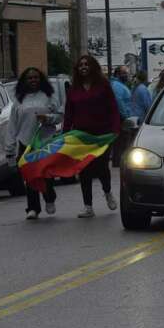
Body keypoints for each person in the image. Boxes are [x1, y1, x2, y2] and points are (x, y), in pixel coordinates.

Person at [63, 55, 121, 218]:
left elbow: (113, 108)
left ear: (92, 67)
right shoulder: (74, 89)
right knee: (85, 170)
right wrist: (65, 134)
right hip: (82, 136)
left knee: (102, 166)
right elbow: (69, 114)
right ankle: (88, 206)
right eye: (80, 64)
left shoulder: (103, 85)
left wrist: (116, 129)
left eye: (86, 64)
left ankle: (107, 191)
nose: (83, 67)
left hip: (103, 135)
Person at [9, 67, 62, 219]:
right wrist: (10, 148)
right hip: (27, 144)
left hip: (45, 142)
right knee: (30, 175)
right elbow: (13, 125)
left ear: (41, 79)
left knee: (45, 174)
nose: (33, 80)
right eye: (30, 78)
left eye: (36, 77)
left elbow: (59, 116)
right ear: (24, 81)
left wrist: (48, 118)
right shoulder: (19, 100)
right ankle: (33, 208)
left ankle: (49, 197)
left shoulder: (49, 96)